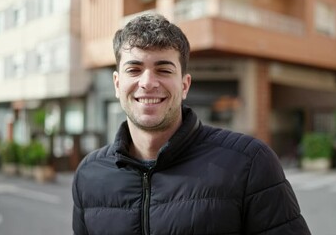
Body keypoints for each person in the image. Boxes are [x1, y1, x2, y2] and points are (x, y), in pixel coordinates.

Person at [72, 13, 311, 235]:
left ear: (185, 85)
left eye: (163, 70)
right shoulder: (88, 175)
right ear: (116, 84)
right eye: (134, 69)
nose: (147, 82)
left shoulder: (249, 163)